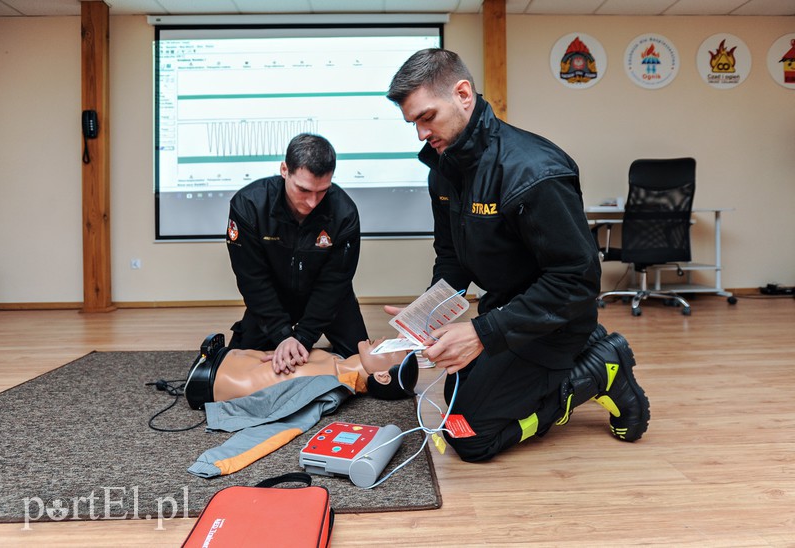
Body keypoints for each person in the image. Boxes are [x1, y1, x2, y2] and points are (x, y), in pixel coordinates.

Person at [385, 48, 650, 462]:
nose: (420, 133)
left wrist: (479, 334)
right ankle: (576, 363)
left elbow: (576, 281)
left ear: (463, 94)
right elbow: (452, 256)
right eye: (412, 123)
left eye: (427, 117)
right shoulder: (444, 169)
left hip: (556, 322)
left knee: (469, 438)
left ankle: (597, 370)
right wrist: (424, 318)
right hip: (507, 314)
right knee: (453, 397)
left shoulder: (533, 171)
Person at [225, 133, 368, 374]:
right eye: (303, 190)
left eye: (322, 191)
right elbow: (252, 280)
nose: (312, 202)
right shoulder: (248, 206)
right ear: (284, 170)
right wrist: (282, 335)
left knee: (363, 363)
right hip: (273, 296)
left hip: (330, 298)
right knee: (236, 365)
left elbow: (335, 283)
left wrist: (303, 338)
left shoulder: (344, 213)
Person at [185, 336, 419, 409]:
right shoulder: (335, 360)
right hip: (222, 359)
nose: (383, 340)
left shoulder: (328, 381)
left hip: (212, 378)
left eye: (389, 350)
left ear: (383, 376)